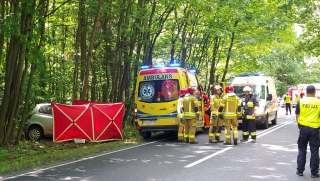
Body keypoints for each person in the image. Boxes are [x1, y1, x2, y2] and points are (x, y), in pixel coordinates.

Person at [295, 85, 320, 178]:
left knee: (302, 150)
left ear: (306, 92)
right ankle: (314, 172)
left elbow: (297, 115)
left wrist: (300, 126)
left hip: (304, 128)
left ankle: (300, 171)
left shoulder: (301, 101)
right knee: (314, 151)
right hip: (315, 129)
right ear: (314, 92)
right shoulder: (319, 102)